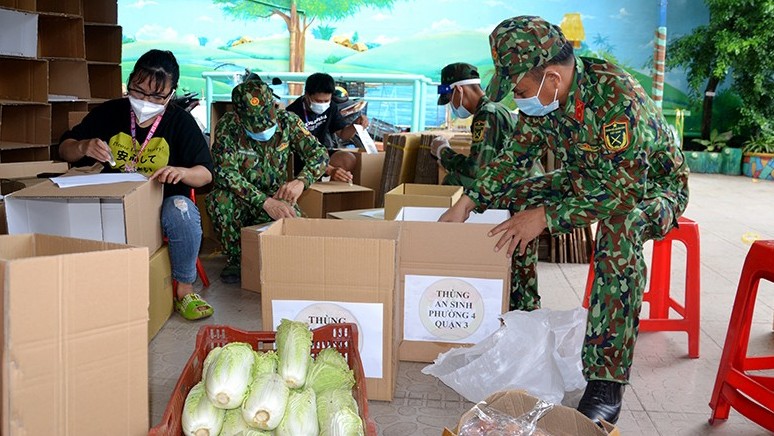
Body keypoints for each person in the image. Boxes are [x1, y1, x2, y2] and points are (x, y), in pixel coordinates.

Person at [439, 16, 689, 424]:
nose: (518, 99)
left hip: (650, 188)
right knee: (518, 194)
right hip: (588, 178)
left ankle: (606, 379)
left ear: (552, 78)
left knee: (619, 230)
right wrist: (468, 201)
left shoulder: (616, 99)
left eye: (520, 90)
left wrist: (548, 216)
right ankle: (523, 316)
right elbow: (514, 156)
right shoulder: (545, 98)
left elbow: (622, 193)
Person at [59, 49, 215, 321]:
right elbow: (65, 149)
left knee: (182, 210)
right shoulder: (110, 113)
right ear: (129, 82)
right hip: (115, 201)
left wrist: (181, 172)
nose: (145, 101)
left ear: (171, 93)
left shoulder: (181, 123)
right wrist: (84, 146)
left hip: (163, 203)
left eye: (157, 96)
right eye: (138, 91)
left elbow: (205, 175)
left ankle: (185, 290)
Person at [431, 62, 541, 311]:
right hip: (525, 196)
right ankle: (524, 321)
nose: (452, 105)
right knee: (521, 269)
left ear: (458, 91)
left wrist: (444, 154)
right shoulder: (496, 110)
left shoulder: (487, 115)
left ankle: (526, 324)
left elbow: (479, 170)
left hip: (520, 200)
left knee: (519, 271)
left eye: (450, 99)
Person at [206, 80, 329, 284]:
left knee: (296, 228)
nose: (262, 129)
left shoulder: (289, 122)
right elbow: (225, 173)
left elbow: (320, 155)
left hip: (277, 195)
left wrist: (301, 181)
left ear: (272, 106)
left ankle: (279, 260)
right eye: (254, 124)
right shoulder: (228, 127)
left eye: (266, 120)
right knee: (219, 200)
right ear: (238, 116)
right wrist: (265, 202)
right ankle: (237, 259)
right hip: (242, 198)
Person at [285, 73, 369, 183]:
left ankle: (328, 193)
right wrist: (330, 169)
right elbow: (296, 151)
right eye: (318, 101)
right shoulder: (292, 113)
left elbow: (343, 134)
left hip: (320, 153)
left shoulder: (331, 107)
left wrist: (356, 125)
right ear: (306, 95)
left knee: (348, 159)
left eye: (326, 101)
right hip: (300, 157)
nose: (323, 105)